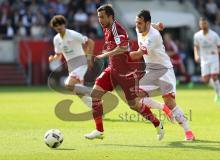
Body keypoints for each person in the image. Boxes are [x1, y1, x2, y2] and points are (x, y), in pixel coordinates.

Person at [84, 4, 172, 140]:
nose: (99, 20)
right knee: (95, 94)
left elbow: (124, 47)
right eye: (98, 17)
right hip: (112, 70)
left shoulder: (116, 29)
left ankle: (157, 123)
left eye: (102, 17)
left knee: (134, 106)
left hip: (126, 73)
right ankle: (99, 130)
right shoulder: (107, 28)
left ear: (110, 17)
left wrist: (106, 54)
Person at [130, 10, 195, 141]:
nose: (137, 26)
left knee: (170, 102)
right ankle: (162, 108)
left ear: (146, 23)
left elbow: (138, 54)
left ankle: (188, 132)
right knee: (135, 97)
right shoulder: (141, 29)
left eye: (140, 23)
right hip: (151, 71)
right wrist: (156, 24)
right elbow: (150, 26)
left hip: (164, 70)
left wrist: (120, 56)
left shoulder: (153, 37)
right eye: (136, 23)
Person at [49, 15, 95, 103]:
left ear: (64, 24)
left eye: (60, 24)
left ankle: (95, 92)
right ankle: (97, 108)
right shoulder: (56, 39)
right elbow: (59, 55)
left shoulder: (73, 34)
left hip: (81, 63)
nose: (58, 27)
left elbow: (90, 42)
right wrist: (53, 58)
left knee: (68, 85)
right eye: (56, 25)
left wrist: (89, 59)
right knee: (79, 92)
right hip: (72, 67)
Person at [194, 17, 220, 102]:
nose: (203, 25)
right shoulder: (197, 35)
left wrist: (216, 51)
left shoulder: (214, 35)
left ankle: (217, 95)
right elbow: (196, 46)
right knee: (205, 80)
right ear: (200, 25)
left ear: (208, 24)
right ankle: (217, 85)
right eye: (201, 24)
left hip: (214, 58)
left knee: (214, 76)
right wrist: (196, 55)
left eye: (205, 23)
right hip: (204, 59)